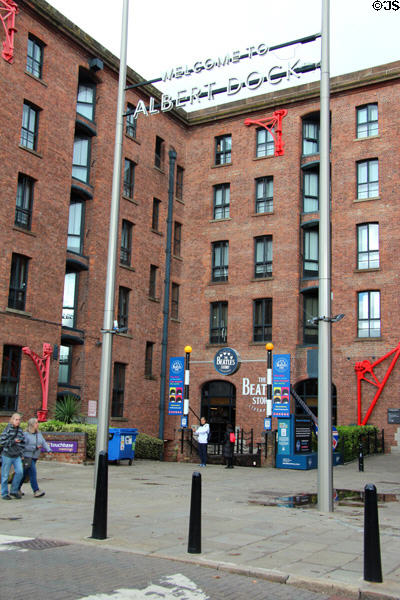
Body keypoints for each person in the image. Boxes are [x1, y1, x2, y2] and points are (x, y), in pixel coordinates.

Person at [20, 417, 51, 498]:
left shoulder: (38, 433)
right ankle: (36, 490)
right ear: (32, 425)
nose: (38, 424)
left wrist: (48, 449)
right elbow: (23, 446)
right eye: (36, 423)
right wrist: (35, 448)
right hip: (28, 457)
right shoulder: (25, 435)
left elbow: (43, 442)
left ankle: (16, 488)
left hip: (35, 457)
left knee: (24, 474)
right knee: (33, 473)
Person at [0, 413, 25, 500]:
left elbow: (22, 443)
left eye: (19, 420)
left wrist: (22, 454)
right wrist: (13, 441)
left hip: (17, 455)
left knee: (20, 472)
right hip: (7, 455)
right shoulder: (8, 429)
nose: (18, 421)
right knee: (5, 475)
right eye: (16, 419)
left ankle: (14, 490)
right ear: (12, 420)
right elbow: (2, 442)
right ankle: (4, 493)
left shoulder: (20, 430)